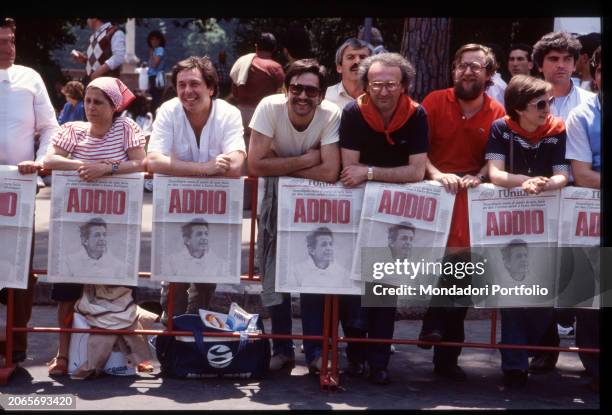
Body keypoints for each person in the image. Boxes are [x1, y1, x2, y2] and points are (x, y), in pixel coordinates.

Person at [42, 76, 147, 376]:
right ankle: (62, 355)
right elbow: (50, 160)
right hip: (76, 230)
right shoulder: (72, 131)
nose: (90, 107)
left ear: (113, 106)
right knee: (67, 293)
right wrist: (84, 167)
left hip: (116, 231)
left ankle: (135, 353)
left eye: (98, 102)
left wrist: (107, 168)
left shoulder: (126, 129)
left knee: (122, 294)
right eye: (87, 101)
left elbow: (141, 163)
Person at [418, 44, 505, 382]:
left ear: (488, 74)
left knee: (463, 272)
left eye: (476, 66)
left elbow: (494, 158)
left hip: (471, 198)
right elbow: (418, 150)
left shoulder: (497, 111)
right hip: (433, 193)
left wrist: (479, 177)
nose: (468, 71)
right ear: (453, 70)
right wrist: (437, 174)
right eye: (462, 65)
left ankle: (442, 346)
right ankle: (434, 331)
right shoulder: (434, 102)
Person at [339, 52, 428, 384]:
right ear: (366, 85)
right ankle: (355, 356)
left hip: (394, 212)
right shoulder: (353, 112)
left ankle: (379, 361)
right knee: (353, 286)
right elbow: (349, 169)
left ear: (403, 84)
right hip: (356, 209)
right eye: (376, 84)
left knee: (383, 288)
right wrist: (374, 174)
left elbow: (417, 171)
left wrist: (371, 173)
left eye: (391, 84)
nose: (384, 91)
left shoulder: (417, 115)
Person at [248, 59, 341, 374]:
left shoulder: (331, 114)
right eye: (296, 88)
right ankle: (282, 347)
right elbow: (255, 165)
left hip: (314, 200)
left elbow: (330, 172)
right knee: (273, 274)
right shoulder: (269, 107)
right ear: (286, 89)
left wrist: (281, 162)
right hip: (274, 198)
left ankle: (315, 350)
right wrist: (304, 159)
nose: (302, 96)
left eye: (311, 90)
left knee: (313, 271)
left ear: (321, 95)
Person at [146, 56, 246, 325]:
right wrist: (206, 169)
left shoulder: (228, 113)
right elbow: (154, 160)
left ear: (211, 87)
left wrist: (180, 167)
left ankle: (192, 336)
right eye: (181, 85)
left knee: (205, 281)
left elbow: (236, 163)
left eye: (194, 84)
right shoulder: (168, 110)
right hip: (175, 208)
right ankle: (171, 338)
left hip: (212, 211)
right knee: (174, 277)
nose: (187, 91)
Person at [485, 74, 569, 387]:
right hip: (510, 218)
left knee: (542, 289)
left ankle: (540, 349)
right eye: (541, 103)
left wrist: (547, 183)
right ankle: (515, 364)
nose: (548, 108)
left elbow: (563, 174)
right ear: (520, 108)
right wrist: (525, 181)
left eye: (550, 102)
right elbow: (495, 173)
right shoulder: (501, 128)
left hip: (545, 216)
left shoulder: (557, 129)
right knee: (512, 289)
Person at [530, 30, 595, 371]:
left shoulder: (588, 101)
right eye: (553, 59)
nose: (561, 65)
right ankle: (544, 349)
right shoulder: (525, 97)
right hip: (539, 197)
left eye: (567, 59)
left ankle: (591, 358)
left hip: (580, 199)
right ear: (539, 65)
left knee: (582, 276)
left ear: (576, 63)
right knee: (541, 275)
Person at [0, 17, 59, 364]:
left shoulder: (30, 77)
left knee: (18, 265)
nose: (8, 48)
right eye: (0, 42)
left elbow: (50, 127)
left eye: (11, 40)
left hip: (18, 187)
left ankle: (16, 344)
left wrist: (39, 164)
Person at [564, 45, 601, 393]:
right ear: (596, 73)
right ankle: (594, 366)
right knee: (593, 298)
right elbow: (584, 175)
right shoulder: (581, 114)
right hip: (592, 213)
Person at [230, 32, 285, 137]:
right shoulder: (275, 68)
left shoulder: (241, 63)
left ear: (256, 46)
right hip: (263, 118)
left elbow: (234, 92)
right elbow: (282, 97)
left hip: (240, 115)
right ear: (274, 49)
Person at [163, 219, 223, 283]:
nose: (204, 238)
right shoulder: (172, 262)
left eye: (206, 234)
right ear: (187, 240)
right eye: (199, 234)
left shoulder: (218, 264)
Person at [71, 18, 126, 83]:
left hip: (106, 84)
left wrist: (98, 72)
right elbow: (99, 61)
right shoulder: (93, 36)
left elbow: (118, 57)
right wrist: (85, 60)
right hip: (92, 83)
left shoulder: (115, 33)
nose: (87, 20)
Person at [325, 38, 373, 109]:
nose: (357, 61)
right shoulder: (326, 97)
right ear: (339, 67)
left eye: (363, 57)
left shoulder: (379, 96)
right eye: (350, 57)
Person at [146, 30, 166, 112]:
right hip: (152, 77)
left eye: (156, 39)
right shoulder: (154, 51)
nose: (153, 41)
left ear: (160, 40)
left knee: (156, 99)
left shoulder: (160, 49)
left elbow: (154, 64)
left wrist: (151, 54)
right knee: (154, 98)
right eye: (152, 39)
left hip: (157, 77)